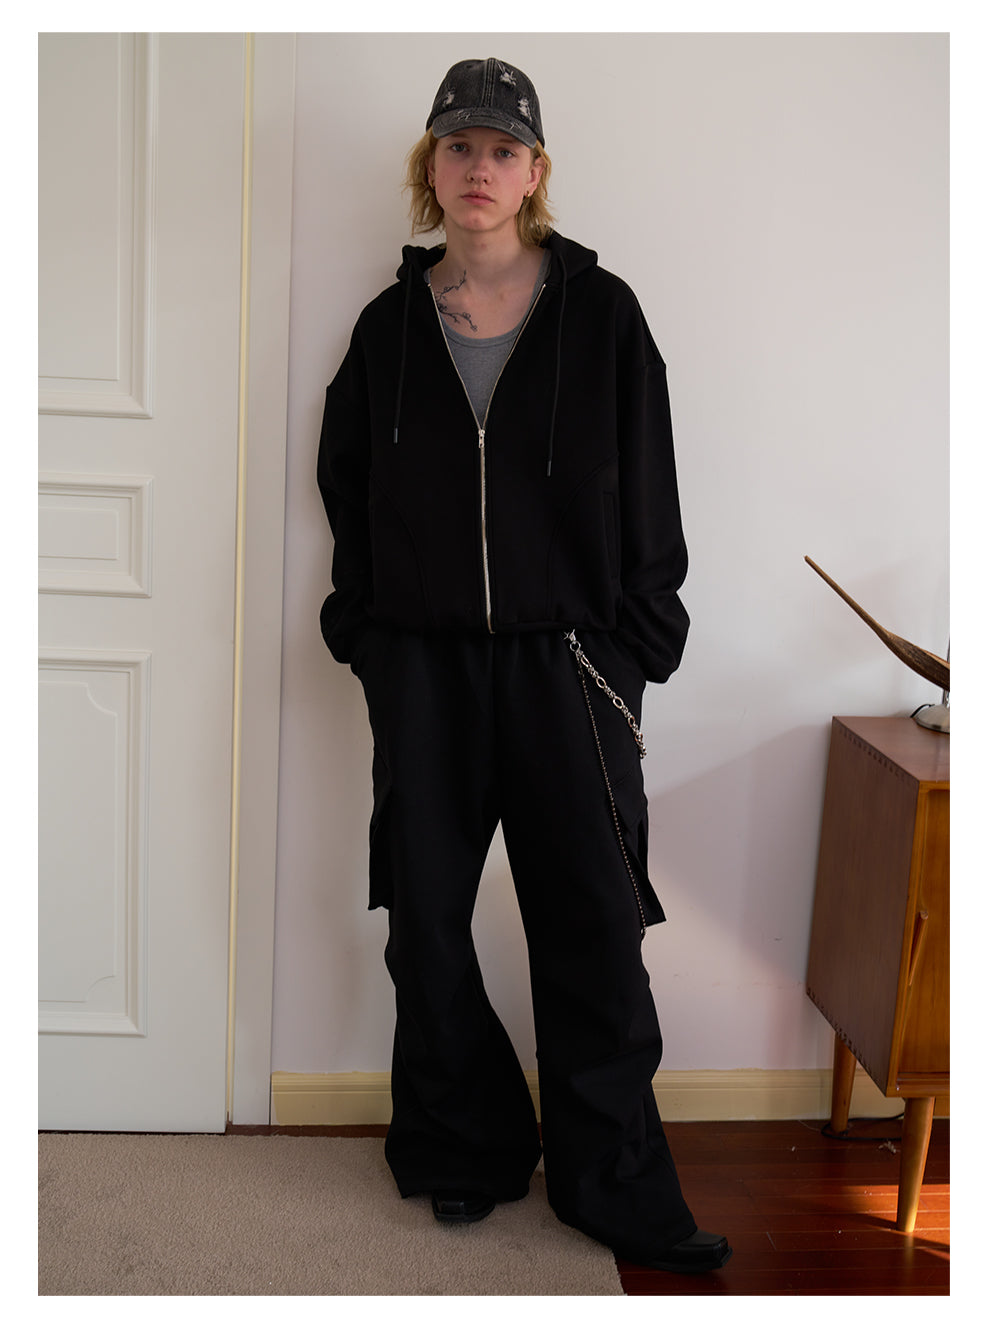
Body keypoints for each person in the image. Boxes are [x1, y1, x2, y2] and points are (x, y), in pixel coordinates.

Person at [317, 57, 731, 1274]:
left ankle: (612, 1182)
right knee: (426, 926)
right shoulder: (389, 327)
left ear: (535, 172)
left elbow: (648, 480)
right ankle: (465, 1144)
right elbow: (348, 485)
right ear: (431, 166)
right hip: (428, 672)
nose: (480, 167)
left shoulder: (603, 315)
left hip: (571, 667)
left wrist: (634, 642)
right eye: (459, 146)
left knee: (593, 923)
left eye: (503, 149)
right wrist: (370, 632)